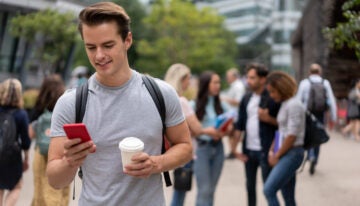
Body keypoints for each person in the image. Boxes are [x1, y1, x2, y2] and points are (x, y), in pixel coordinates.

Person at [46, 2, 192, 206]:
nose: (99, 55)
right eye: (91, 47)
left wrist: (157, 163)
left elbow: (185, 147)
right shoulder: (70, 103)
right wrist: (69, 161)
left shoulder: (161, 93)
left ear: (127, 40)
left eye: (108, 45)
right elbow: (54, 180)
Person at [164, 63, 220, 206]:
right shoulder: (182, 101)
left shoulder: (166, 99)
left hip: (173, 150)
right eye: (188, 78)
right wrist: (212, 130)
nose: (190, 82)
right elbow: (197, 128)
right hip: (188, 152)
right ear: (181, 79)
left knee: (180, 191)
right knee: (192, 192)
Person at [233, 63, 280, 206]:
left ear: (263, 79)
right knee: (250, 187)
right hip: (249, 150)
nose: (248, 81)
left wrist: (268, 119)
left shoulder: (273, 97)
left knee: (269, 189)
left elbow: (283, 125)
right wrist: (234, 149)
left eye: (252, 78)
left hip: (266, 150)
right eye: (248, 77)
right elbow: (239, 124)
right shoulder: (246, 98)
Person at [264, 71, 305, 206]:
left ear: (282, 88)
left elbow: (292, 135)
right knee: (288, 196)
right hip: (285, 151)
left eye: (273, 92)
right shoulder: (286, 103)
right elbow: (282, 131)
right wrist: (272, 151)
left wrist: (277, 154)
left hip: (292, 152)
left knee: (269, 189)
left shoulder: (294, 104)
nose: (271, 95)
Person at [28, 74, 69, 206]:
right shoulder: (67, 105)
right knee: (60, 189)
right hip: (62, 154)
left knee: (41, 189)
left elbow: (30, 133)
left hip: (41, 153)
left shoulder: (39, 107)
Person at [191, 71, 230, 206]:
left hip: (218, 148)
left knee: (211, 190)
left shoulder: (222, 105)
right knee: (204, 190)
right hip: (201, 149)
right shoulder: (193, 105)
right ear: (206, 84)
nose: (217, 85)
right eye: (215, 82)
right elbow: (188, 132)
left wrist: (224, 131)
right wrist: (207, 132)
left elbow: (231, 126)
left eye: (219, 82)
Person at [296, 63, 337, 175]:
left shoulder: (304, 83)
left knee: (309, 135)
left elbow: (298, 100)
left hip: (307, 114)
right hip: (320, 114)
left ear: (310, 72)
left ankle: (310, 155)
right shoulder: (325, 83)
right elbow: (331, 101)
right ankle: (316, 158)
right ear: (320, 72)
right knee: (318, 135)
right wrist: (334, 116)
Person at [0, 78, 31, 206]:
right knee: (17, 186)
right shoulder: (21, 114)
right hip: (11, 157)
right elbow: (26, 141)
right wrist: (26, 159)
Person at [221, 68, 246, 159]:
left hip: (235, 114)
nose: (227, 78)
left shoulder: (238, 86)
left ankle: (233, 151)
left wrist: (224, 99)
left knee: (233, 133)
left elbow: (238, 101)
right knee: (231, 134)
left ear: (234, 76)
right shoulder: (234, 85)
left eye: (228, 76)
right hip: (233, 113)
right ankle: (233, 151)